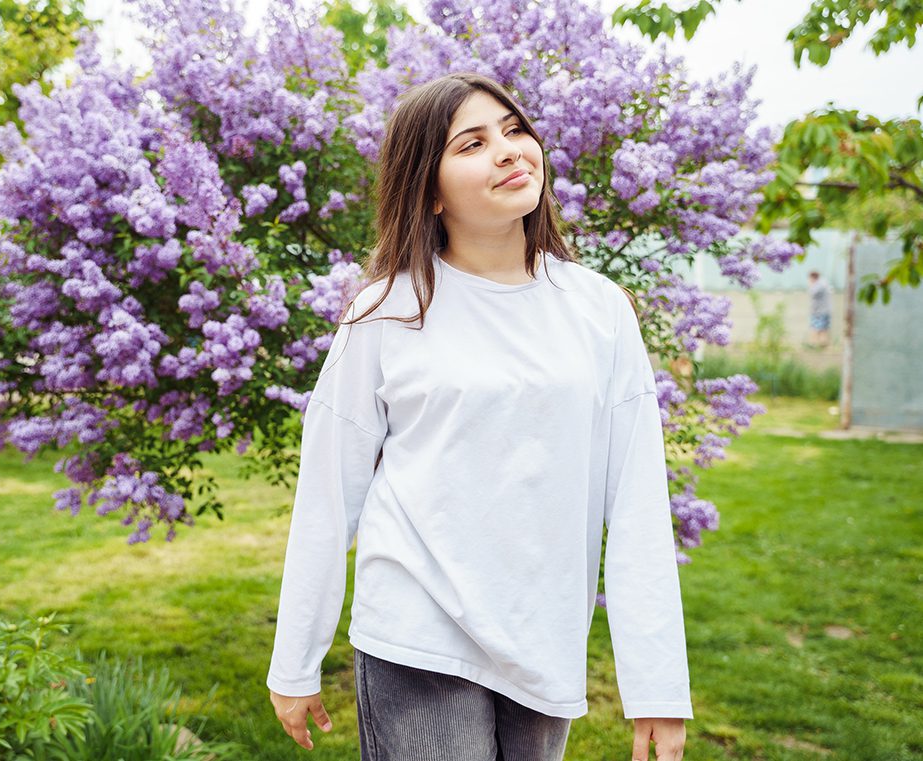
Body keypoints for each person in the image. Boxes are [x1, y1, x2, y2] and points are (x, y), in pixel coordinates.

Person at [266, 72, 692, 761]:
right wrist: (294, 658)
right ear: (429, 190)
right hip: (416, 632)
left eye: (514, 129)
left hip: (544, 638)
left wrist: (657, 686)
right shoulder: (385, 310)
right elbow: (326, 491)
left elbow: (638, 498)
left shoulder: (598, 308)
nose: (508, 150)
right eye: (472, 142)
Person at [807, 271, 831, 348]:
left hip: (819, 312)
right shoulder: (824, 284)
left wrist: (810, 285)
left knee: (816, 328)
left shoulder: (818, 286)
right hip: (825, 311)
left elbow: (812, 293)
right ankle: (823, 345)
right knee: (824, 328)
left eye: (810, 278)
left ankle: (815, 344)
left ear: (813, 278)